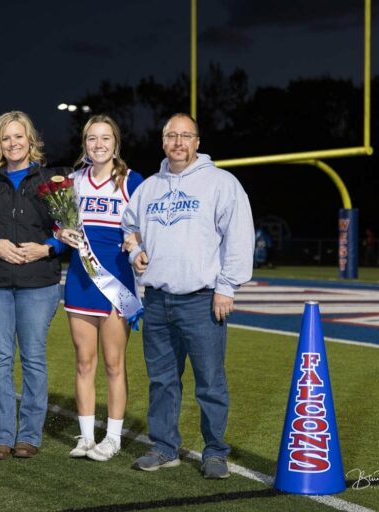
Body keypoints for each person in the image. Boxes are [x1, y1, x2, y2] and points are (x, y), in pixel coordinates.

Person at [122, 113, 254, 479]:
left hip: (202, 298)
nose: (178, 142)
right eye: (171, 136)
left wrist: (227, 287)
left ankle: (214, 451)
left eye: (186, 136)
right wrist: (134, 252)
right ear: (163, 142)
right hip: (159, 299)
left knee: (210, 381)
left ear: (197, 141)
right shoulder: (148, 187)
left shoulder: (221, 183)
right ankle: (165, 446)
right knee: (162, 379)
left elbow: (240, 237)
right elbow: (129, 226)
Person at [0, 111, 66, 460]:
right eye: (6, 138)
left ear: (30, 139)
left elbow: (68, 232)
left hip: (38, 283)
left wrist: (47, 247)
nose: (13, 143)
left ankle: (29, 436)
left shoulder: (50, 179)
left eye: (18, 137)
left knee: (34, 358)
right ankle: (2, 436)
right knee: (0, 359)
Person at [55, 115, 144, 462]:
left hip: (116, 284)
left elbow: (143, 226)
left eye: (105, 138)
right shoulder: (74, 182)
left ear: (115, 143)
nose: (99, 145)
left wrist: (137, 241)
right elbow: (60, 226)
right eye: (92, 139)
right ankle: (87, 437)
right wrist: (61, 233)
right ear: (85, 144)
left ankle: (114, 438)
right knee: (84, 361)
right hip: (80, 281)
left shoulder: (132, 181)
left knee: (114, 363)